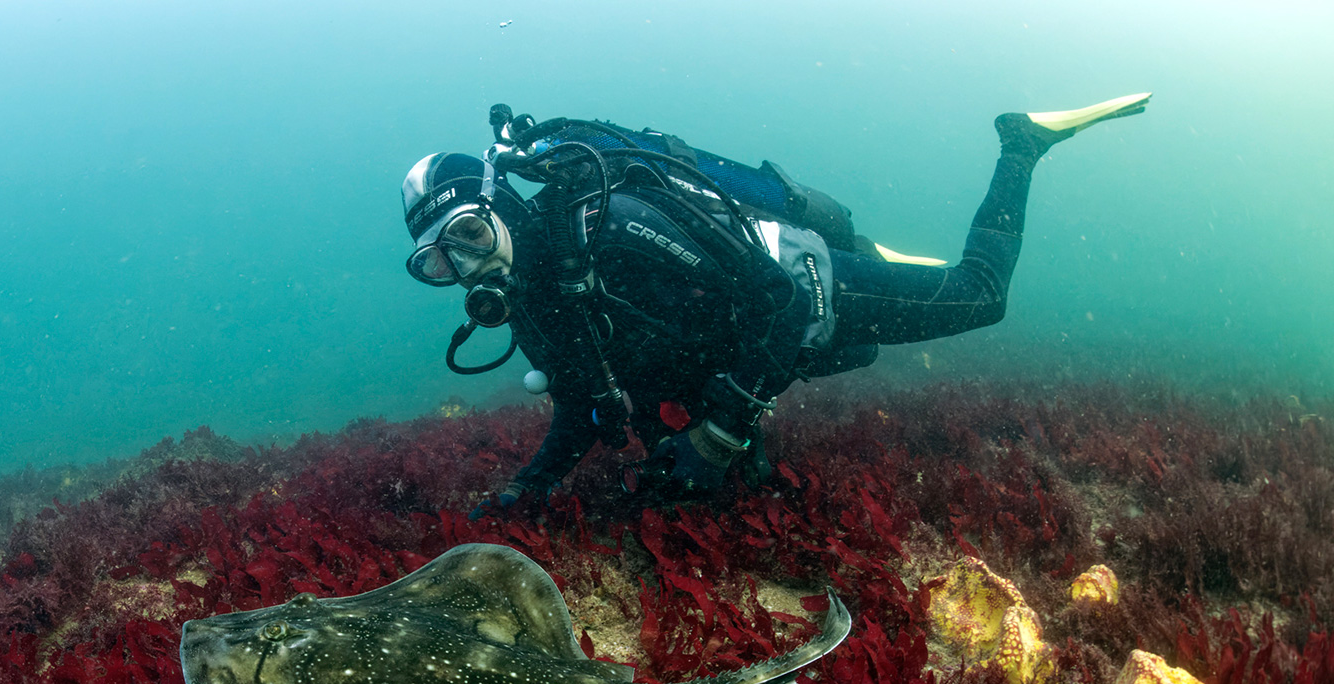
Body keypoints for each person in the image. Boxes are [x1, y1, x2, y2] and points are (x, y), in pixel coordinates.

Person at [400, 94, 1151, 515]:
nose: (467, 267)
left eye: (469, 234)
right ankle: (876, 264)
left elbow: (784, 303)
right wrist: (528, 488)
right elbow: (579, 403)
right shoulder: (531, 299)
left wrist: (719, 435)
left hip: (800, 285)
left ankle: (1021, 143)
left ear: (503, 206)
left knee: (978, 297)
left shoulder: (612, 225)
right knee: (854, 357)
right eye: (439, 261)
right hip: (735, 340)